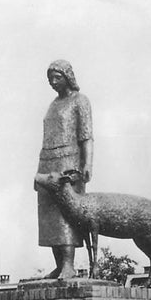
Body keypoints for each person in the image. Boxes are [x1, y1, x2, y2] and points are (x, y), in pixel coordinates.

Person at [35, 60, 93, 279]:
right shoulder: (52, 104)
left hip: (69, 163)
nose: (52, 82)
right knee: (48, 215)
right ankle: (59, 265)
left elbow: (86, 136)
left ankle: (69, 264)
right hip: (47, 162)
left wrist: (87, 164)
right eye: (50, 78)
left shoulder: (80, 101)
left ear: (68, 76)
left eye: (56, 77)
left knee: (66, 214)